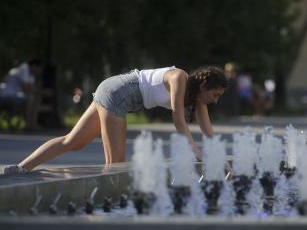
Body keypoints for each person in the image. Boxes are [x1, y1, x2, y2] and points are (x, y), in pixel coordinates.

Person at [4, 65, 228, 174]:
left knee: (73, 142)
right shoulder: (179, 77)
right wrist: (198, 154)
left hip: (112, 90)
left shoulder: (199, 102)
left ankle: (20, 168)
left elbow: (210, 135)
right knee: (116, 165)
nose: (216, 101)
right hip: (119, 93)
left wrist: (225, 164)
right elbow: (179, 122)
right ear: (203, 85)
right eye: (215, 95)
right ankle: (107, 217)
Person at [0, 59, 43, 130]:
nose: (39, 71)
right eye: (39, 69)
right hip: (6, 95)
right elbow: (26, 89)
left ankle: (33, 124)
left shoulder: (31, 74)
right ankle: (28, 125)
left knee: (36, 98)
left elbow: (31, 89)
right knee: (30, 98)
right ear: (34, 66)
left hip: (16, 96)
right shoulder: (24, 68)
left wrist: (40, 92)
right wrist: (42, 92)